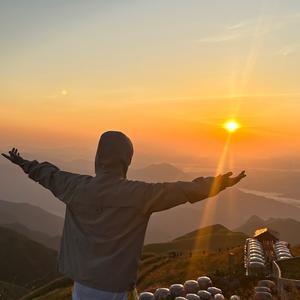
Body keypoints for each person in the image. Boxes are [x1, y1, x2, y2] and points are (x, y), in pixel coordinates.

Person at [1, 131, 246, 300]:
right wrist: (218, 183)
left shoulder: (74, 187)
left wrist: (22, 162)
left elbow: (48, 175)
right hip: (116, 289)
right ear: (126, 161)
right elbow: (181, 190)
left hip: (81, 288)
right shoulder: (139, 194)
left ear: (98, 158)